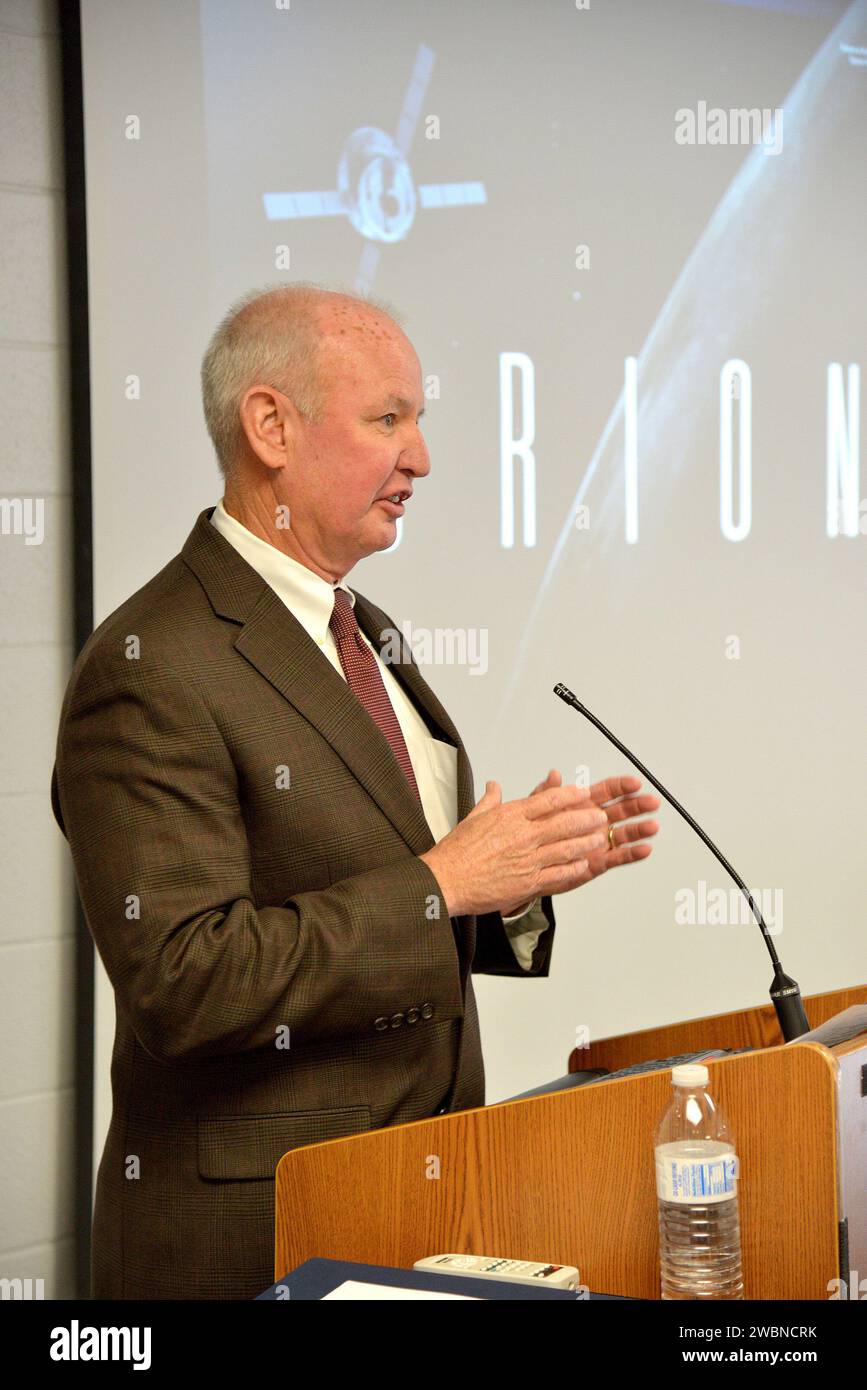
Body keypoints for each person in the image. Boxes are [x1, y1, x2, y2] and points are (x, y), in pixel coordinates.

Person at [51, 283, 660, 1300]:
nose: (421, 457)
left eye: (419, 419)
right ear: (270, 426)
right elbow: (184, 981)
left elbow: (406, 897)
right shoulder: (152, 663)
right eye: (389, 419)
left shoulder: (365, 630)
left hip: (420, 1214)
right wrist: (447, 879)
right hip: (257, 1242)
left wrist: (516, 875)